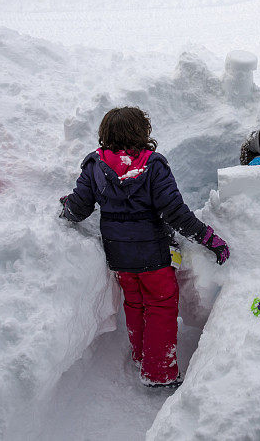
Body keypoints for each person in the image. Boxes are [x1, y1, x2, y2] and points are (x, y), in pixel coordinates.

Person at [59, 106, 229, 388]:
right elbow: (175, 213)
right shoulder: (153, 166)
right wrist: (209, 238)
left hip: (119, 257)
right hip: (154, 257)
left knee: (135, 304)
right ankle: (159, 372)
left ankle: (141, 356)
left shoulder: (94, 166)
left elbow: (78, 208)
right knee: (161, 307)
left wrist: (65, 206)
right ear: (142, 132)